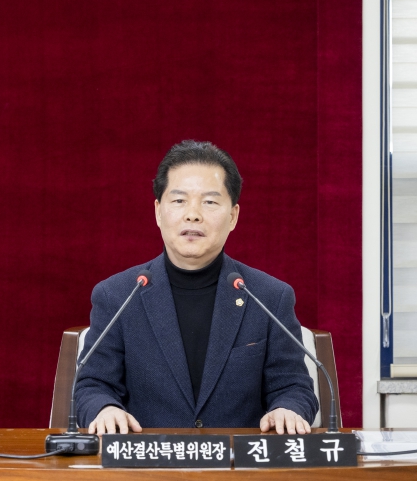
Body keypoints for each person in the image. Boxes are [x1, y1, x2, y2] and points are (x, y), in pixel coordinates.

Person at [75, 140, 318, 435]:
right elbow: (92, 385)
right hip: (149, 458)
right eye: (179, 200)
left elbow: (294, 387)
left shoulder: (269, 296)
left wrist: (288, 408)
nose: (193, 214)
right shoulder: (116, 295)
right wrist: (104, 408)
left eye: (210, 202)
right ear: (158, 212)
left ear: (233, 216)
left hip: (237, 460)